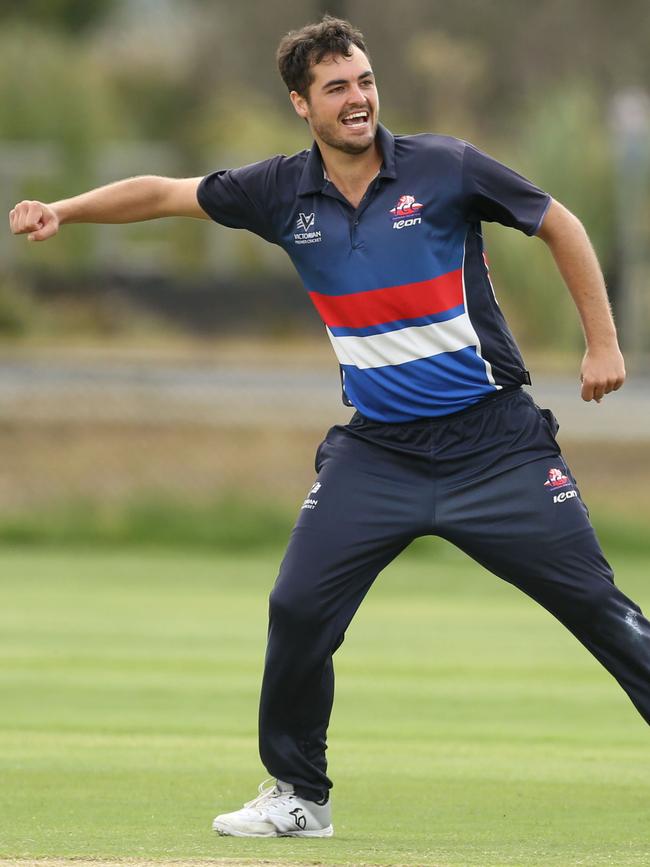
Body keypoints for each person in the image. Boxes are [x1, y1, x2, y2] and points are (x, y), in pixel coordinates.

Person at [9, 14, 648, 841]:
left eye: (366, 81)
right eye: (337, 88)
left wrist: (602, 341)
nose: (359, 100)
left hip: (495, 446)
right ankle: (299, 795)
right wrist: (62, 209)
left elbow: (559, 220)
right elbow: (163, 193)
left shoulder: (444, 167)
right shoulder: (279, 191)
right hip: (378, 451)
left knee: (599, 607)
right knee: (298, 605)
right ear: (300, 105)